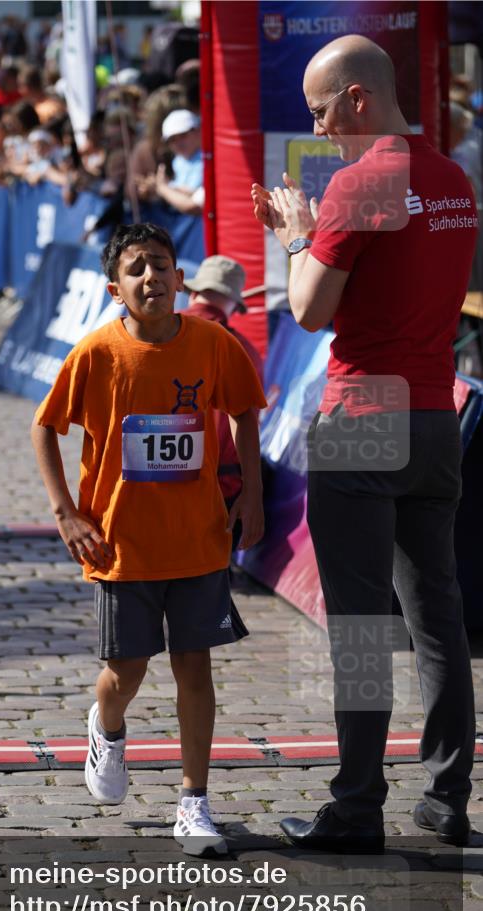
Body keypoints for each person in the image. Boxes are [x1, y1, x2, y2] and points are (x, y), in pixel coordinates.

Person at [252, 35, 478, 851]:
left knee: (357, 627)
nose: (319, 129)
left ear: (358, 97)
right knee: (436, 617)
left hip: (363, 411)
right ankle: (446, 797)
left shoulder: (358, 182)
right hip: (433, 411)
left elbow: (309, 310)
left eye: (322, 112)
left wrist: (295, 235)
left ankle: (355, 807)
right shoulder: (452, 179)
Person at [31, 222, 266, 856]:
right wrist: (65, 513)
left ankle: (194, 803)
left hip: (197, 540)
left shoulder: (213, 344)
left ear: (180, 278)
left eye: (160, 265)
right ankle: (106, 727)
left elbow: (245, 411)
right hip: (121, 545)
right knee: (126, 671)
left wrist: (250, 492)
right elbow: (45, 426)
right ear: (115, 289)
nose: (150, 277)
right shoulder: (97, 354)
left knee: (195, 665)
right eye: (135, 269)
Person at [180, 256, 264, 551]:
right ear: (234, 306)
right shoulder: (244, 351)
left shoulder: (153, 333)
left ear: (193, 292)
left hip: (154, 482)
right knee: (209, 575)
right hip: (221, 488)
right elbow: (249, 423)